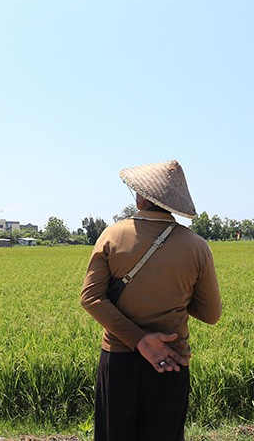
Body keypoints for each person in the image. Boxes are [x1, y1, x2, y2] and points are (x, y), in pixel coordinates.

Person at [81, 159, 222, 441]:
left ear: (142, 196)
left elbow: (91, 298)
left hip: (119, 359)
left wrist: (140, 340)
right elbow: (210, 313)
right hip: (171, 359)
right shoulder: (197, 246)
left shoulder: (113, 235)